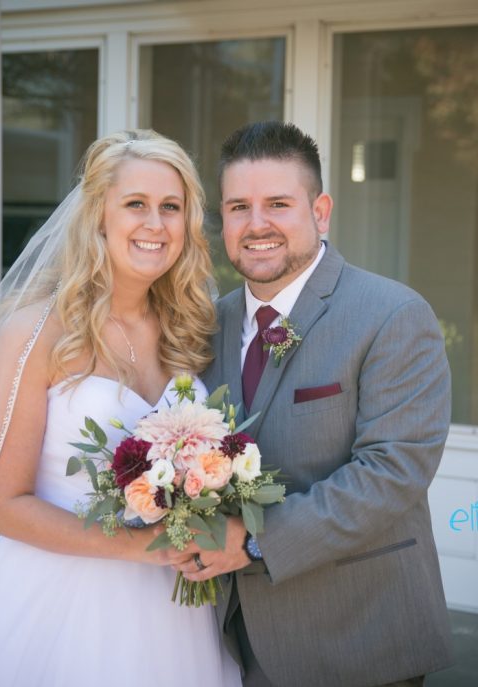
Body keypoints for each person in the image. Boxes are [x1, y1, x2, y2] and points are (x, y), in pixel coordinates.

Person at [0, 130, 240, 686]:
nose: (155, 224)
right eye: (135, 204)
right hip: (59, 604)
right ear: (98, 217)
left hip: (174, 609)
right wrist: (146, 545)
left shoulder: (191, 329)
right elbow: (4, 505)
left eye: (171, 207)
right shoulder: (35, 332)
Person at [168, 121, 455, 686]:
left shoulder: (392, 315)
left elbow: (392, 472)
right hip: (231, 640)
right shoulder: (208, 326)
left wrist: (253, 541)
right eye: (239, 207)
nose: (257, 225)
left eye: (278, 204)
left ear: (320, 212)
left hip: (356, 637)